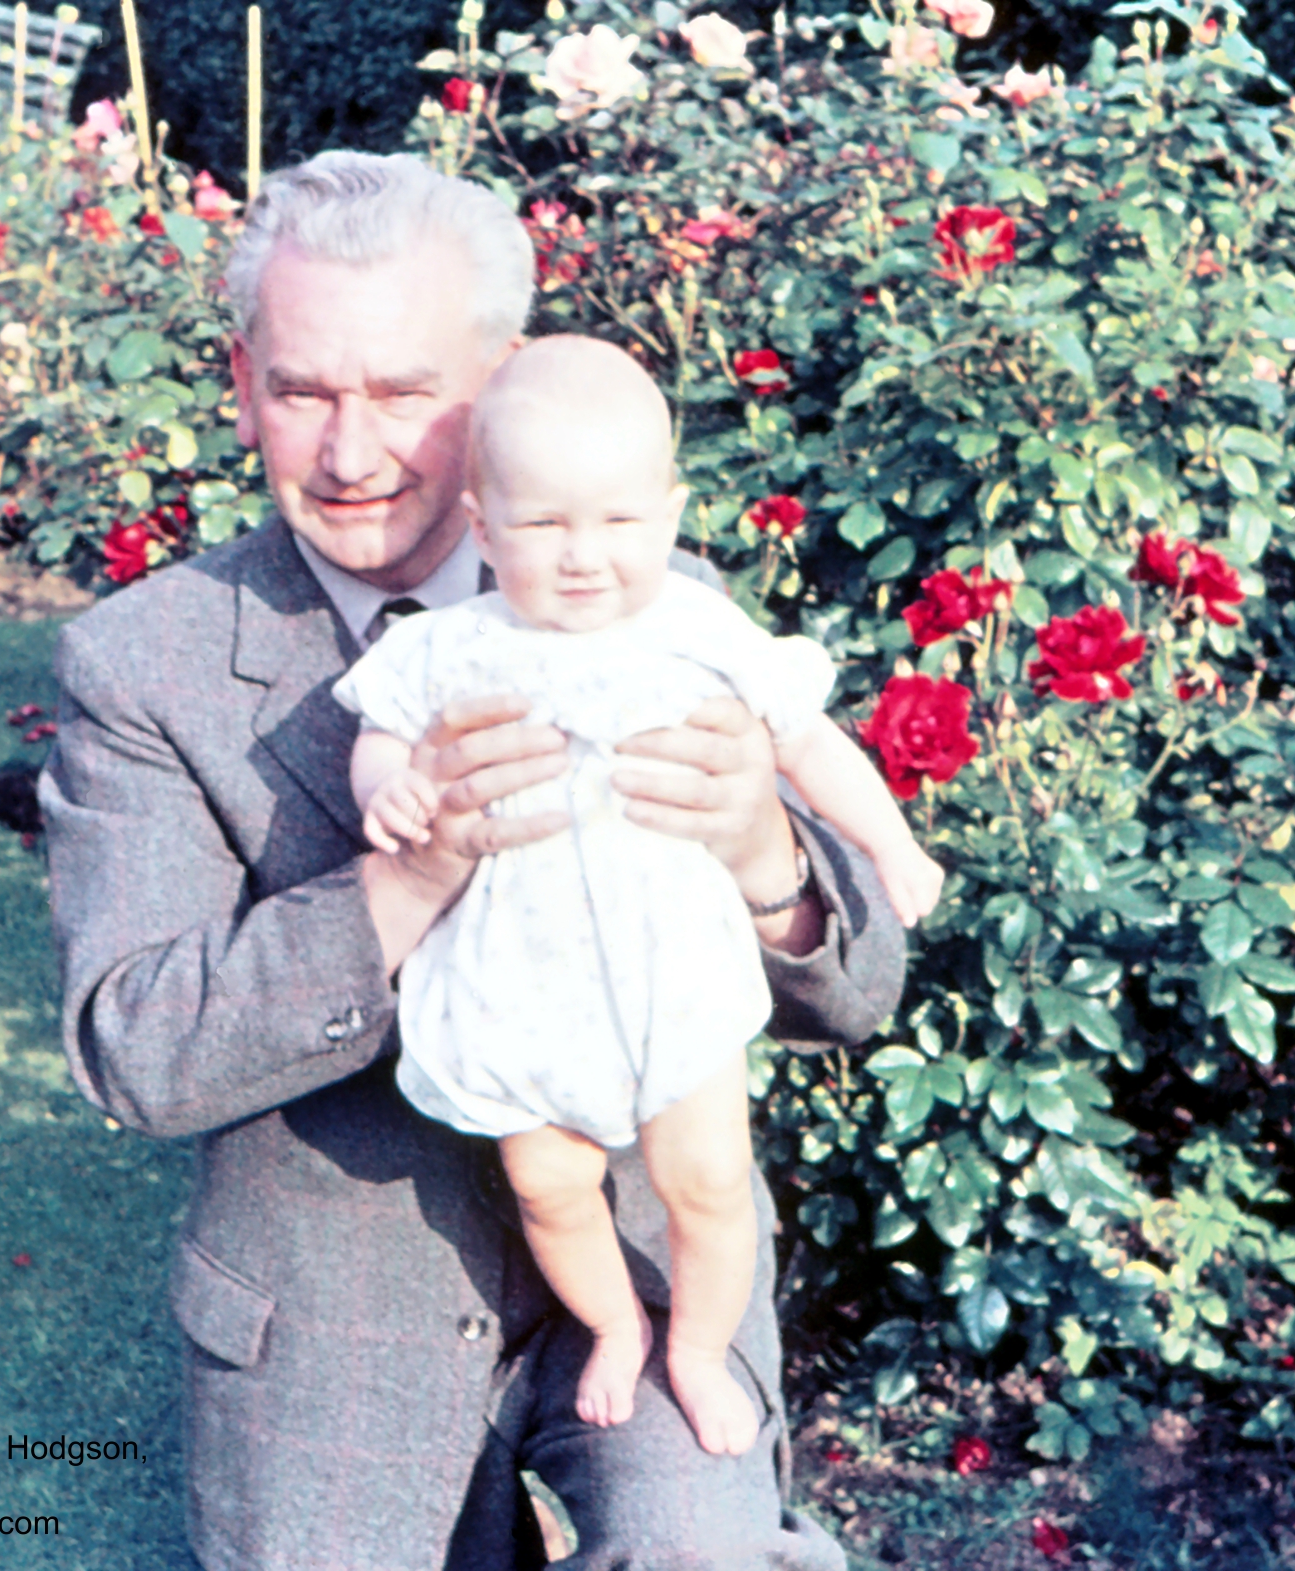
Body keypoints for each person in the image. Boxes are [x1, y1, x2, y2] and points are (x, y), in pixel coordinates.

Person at [39, 150, 904, 1571]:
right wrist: (407, 879)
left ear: (502, 380)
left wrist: (761, 845)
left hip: (650, 1260)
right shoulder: (145, 664)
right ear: (243, 384)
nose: (351, 452)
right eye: (304, 391)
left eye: (404, 393)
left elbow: (859, 990)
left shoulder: (657, 605)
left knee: (696, 1555)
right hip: (331, 1317)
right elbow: (138, 1050)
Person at [335, 336, 941, 1459]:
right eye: (542, 524)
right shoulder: (450, 647)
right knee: (548, 1182)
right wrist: (395, 791)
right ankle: (615, 1324)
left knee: (707, 1179)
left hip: (673, 966)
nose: (583, 557)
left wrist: (891, 843)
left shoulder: (697, 629)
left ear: (669, 516)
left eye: (617, 521)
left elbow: (808, 743)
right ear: (481, 527)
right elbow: (381, 739)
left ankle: (699, 1349)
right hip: (520, 981)